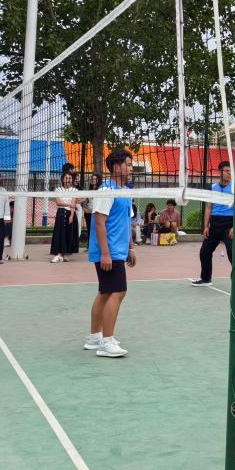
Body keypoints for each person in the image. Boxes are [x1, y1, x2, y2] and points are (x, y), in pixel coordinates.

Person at [84, 148, 136, 358]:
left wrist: (131, 247)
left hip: (119, 250)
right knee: (118, 291)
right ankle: (106, 342)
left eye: (131, 165)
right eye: (128, 164)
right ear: (116, 167)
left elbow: (127, 221)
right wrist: (105, 254)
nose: (131, 168)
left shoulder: (126, 191)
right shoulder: (106, 190)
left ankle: (95, 337)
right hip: (109, 251)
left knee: (105, 292)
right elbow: (99, 223)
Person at [191, 161, 234, 286]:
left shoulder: (234, 188)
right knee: (204, 252)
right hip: (215, 224)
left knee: (232, 253)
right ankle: (205, 279)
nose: (229, 173)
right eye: (227, 171)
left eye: (230, 171)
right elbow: (209, 207)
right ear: (220, 172)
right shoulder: (212, 187)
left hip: (229, 224)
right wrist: (206, 226)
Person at [50, 171, 80, 263]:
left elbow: (73, 203)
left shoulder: (75, 190)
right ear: (63, 179)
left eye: (70, 178)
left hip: (70, 213)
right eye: (66, 178)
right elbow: (58, 203)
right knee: (59, 234)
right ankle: (58, 254)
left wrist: (71, 215)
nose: (68, 180)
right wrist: (69, 204)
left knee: (69, 234)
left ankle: (66, 254)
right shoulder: (58, 190)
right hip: (61, 213)